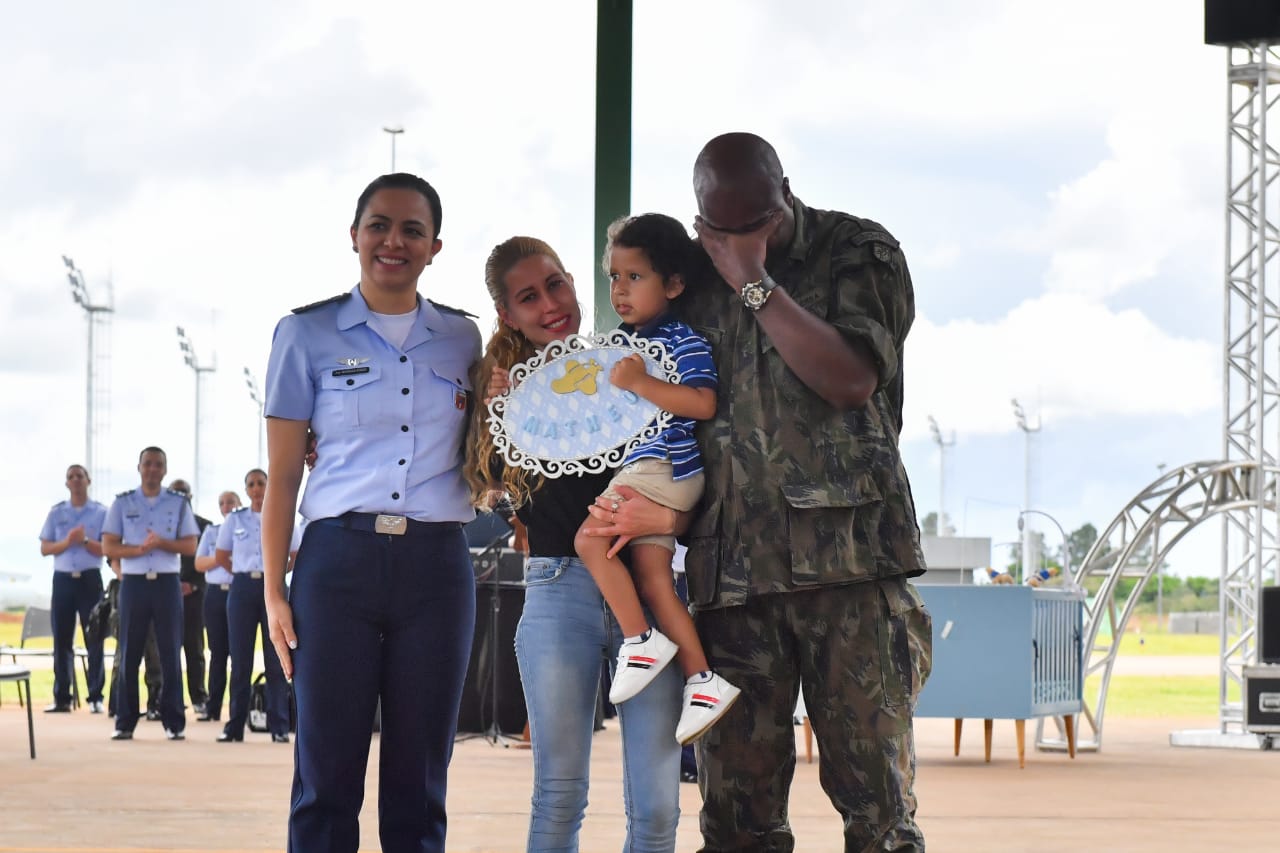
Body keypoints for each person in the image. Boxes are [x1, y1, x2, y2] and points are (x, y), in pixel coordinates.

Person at [590, 132, 933, 851]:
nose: (745, 240)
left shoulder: (856, 250)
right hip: (734, 576)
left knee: (879, 816)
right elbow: (630, 384)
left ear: (785, 191)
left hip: (851, 572)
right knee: (736, 821)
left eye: (760, 222)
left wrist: (753, 280)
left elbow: (850, 378)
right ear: (699, 222)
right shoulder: (692, 278)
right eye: (723, 230)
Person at [261, 172, 481, 853]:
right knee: (326, 772)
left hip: (436, 568)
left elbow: (490, 452)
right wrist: (274, 590)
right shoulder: (305, 333)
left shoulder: (467, 340)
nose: (394, 240)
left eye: (413, 229)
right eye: (379, 225)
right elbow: (285, 473)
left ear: (435, 246)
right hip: (337, 565)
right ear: (354, 236)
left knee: (419, 778)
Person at [465, 236, 684, 853]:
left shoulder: (632, 361)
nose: (549, 304)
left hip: (652, 587)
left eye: (556, 284)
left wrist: (668, 525)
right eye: (528, 297)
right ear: (508, 314)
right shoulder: (504, 394)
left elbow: (696, 471)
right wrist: (494, 413)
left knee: (659, 805)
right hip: (559, 589)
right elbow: (476, 486)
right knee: (559, 795)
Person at [572, 213, 739, 744]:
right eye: (614, 277)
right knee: (654, 578)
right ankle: (703, 679)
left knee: (589, 539)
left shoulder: (677, 340)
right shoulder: (625, 343)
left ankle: (639, 639)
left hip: (664, 465)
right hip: (650, 469)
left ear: (673, 284)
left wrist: (642, 382)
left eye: (635, 277)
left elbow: (703, 401)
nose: (620, 289)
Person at [101, 446, 200, 741]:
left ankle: (173, 721)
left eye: (158, 465)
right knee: (130, 651)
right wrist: (137, 550)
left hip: (167, 582)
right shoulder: (123, 503)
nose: (153, 469)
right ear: (139, 467)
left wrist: (161, 544)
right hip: (134, 582)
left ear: (165, 470)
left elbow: (190, 546)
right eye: (148, 464)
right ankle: (125, 721)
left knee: (171, 651)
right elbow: (108, 546)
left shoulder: (178, 503)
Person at [215, 468, 296, 743]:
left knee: (276, 661)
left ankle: (279, 727)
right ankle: (235, 726)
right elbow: (222, 555)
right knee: (240, 661)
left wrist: (275, 575)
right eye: (252, 484)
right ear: (247, 490)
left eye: (261, 483)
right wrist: (242, 572)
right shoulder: (234, 520)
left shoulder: (283, 513)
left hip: (272, 586)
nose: (257, 488)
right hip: (243, 588)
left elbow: (295, 552)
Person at [38, 463, 108, 713]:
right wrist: (67, 541)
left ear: (88, 481)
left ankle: (96, 697)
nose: (75, 480)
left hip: (90, 579)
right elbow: (45, 548)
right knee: (62, 639)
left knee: (95, 638)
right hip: (64, 580)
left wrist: (86, 541)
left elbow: (108, 548)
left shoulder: (100, 512)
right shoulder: (57, 513)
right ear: (66, 483)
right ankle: (62, 698)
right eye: (71, 477)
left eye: (80, 476)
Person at [194, 489, 242, 722]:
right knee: (217, 653)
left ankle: (237, 711)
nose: (227, 506)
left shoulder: (245, 530)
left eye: (231, 502)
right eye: (222, 503)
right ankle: (213, 707)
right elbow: (200, 563)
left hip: (239, 593)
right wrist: (221, 557)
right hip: (215, 595)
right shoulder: (212, 532)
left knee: (239, 654)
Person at [169, 478, 211, 718]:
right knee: (167, 649)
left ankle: (199, 698)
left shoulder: (204, 526)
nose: (179, 496)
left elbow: (212, 559)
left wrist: (193, 585)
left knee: (194, 648)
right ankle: (169, 700)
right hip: (165, 593)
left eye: (183, 492)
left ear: (190, 496)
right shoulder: (160, 524)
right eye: (174, 492)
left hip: (194, 595)